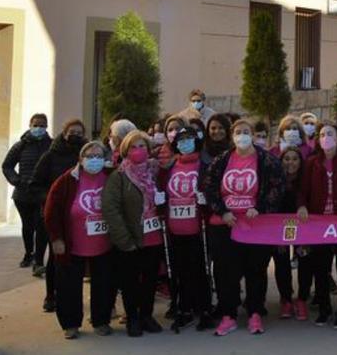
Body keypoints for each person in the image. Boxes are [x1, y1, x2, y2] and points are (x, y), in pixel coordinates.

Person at [202, 118, 285, 336]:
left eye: (246, 132)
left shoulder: (266, 159)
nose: (242, 136)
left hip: (255, 226)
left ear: (253, 135)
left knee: (255, 270)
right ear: (232, 136)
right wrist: (223, 211)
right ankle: (228, 315)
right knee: (225, 272)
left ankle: (255, 313)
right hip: (225, 225)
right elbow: (209, 188)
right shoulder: (221, 160)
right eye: (238, 132)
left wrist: (260, 207)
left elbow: (277, 186)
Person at [44, 140, 115, 339]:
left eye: (99, 156)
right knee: (68, 287)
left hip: (104, 244)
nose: (94, 160)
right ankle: (70, 324)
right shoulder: (66, 180)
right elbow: (51, 212)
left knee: (104, 284)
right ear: (81, 159)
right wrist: (56, 238)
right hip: (73, 244)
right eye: (90, 156)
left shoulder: (111, 176)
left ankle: (101, 321)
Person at [100, 129, 165, 337]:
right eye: (134, 147)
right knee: (130, 282)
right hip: (131, 238)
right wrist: (124, 240)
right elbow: (111, 208)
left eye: (142, 146)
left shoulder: (154, 172)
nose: (138, 150)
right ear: (126, 150)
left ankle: (146, 314)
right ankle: (133, 317)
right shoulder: (119, 176)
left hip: (153, 235)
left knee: (149, 279)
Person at [297, 123, 337, 328]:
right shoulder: (311, 163)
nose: (326, 137)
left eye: (330, 134)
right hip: (319, 225)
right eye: (322, 134)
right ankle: (324, 308)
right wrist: (302, 206)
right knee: (320, 268)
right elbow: (302, 190)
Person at [160, 126, 214, 330]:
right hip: (174, 228)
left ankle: (204, 308)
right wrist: (160, 200)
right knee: (178, 269)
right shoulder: (171, 166)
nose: (184, 143)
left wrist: (206, 199)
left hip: (198, 227)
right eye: (181, 140)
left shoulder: (205, 164)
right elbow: (161, 188)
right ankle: (183, 307)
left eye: (189, 139)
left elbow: (214, 190)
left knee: (200, 269)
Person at [32, 118, 88, 312]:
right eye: (72, 132)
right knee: (56, 256)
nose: (76, 135)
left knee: (74, 258)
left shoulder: (85, 157)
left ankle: (70, 296)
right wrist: (50, 199)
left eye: (80, 133)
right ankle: (50, 295)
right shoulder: (50, 156)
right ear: (64, 133)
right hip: (54, 214)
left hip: (79, 215)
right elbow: (36, 183)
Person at [4, 113, 52, 277]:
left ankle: (38, 261)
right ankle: (28, 253)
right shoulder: (21, 145)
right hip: (23, 194)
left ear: (46, 127)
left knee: (42, 227)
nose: (39, 128)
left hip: (43, 195)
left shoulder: (51, 146)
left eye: (42, 125)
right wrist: (16, 180)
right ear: (30, 125)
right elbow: (7, 165)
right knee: (28, 226)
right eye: (36, 124)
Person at [275, 146, 311, 322]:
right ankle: (286, 299)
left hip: (302, 228)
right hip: (280, 229)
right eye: (286, 159)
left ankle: (302, 299)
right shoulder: (275, 180)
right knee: (281, 263)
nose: (290, 162)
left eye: (295, 159)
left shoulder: (306, 180)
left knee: (304, 261)